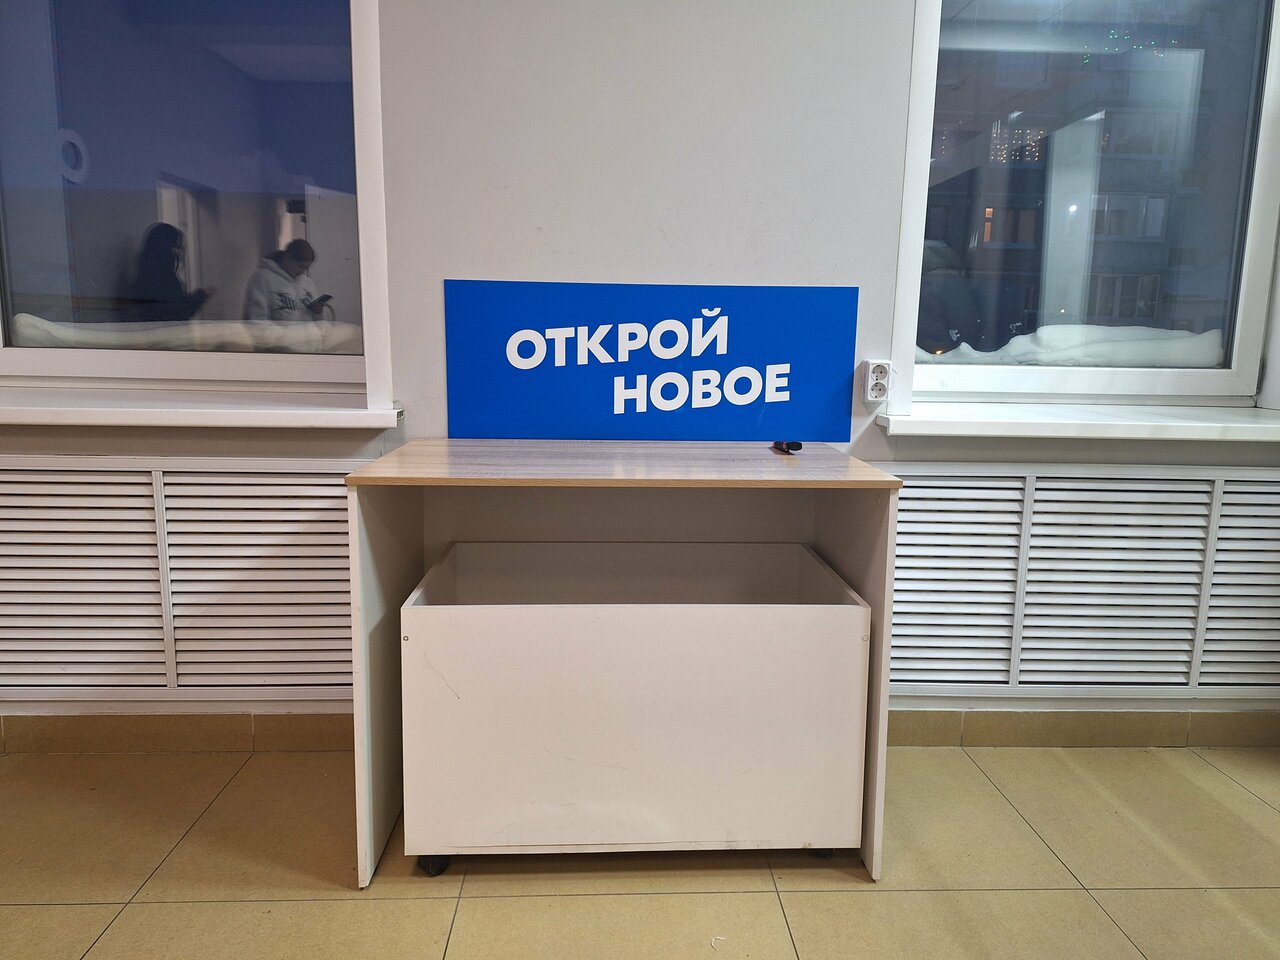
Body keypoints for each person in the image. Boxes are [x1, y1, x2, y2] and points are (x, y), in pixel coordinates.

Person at [130, 223, 210, 323]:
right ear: (164, 247)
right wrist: (200, 296)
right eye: (174, 246)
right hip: (167, 331)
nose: (177, 252)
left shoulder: (148, 274)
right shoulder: (159, 278)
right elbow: (175, 311)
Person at [242, 239, 328, 325]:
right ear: (287, 258)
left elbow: (319, 323)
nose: (302, 271)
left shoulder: (307, 283)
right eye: (300, 266)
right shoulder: (262, 279)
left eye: (306, 268)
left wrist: (318, 312)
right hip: (276, 334)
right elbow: (256, 320)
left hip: (309, 333)